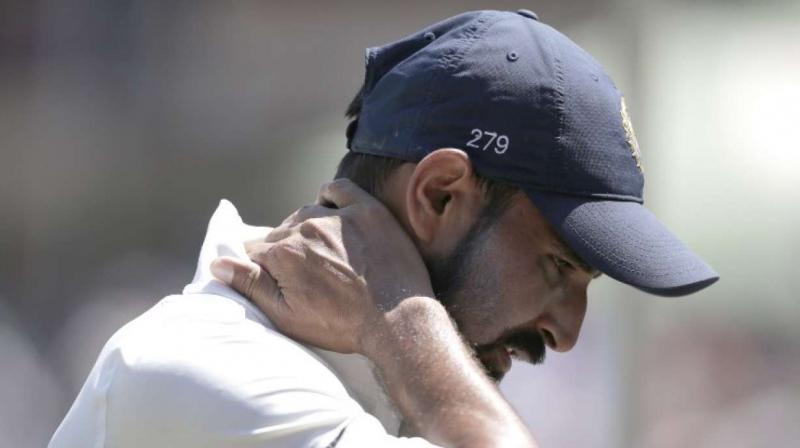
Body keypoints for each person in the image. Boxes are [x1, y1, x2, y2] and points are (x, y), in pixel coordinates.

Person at [49, 9, 718, 448]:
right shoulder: (210, 373)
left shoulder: (366, 382)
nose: (567, 333)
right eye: (558, 267)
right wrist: (404, 322)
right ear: (440, 193)